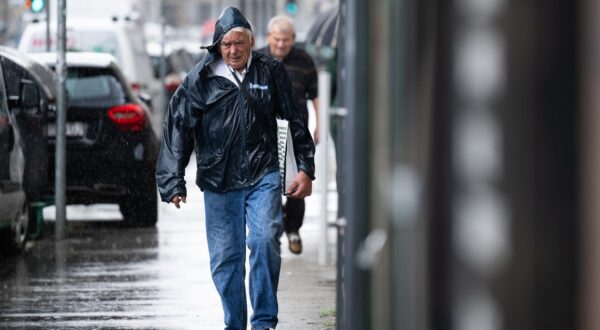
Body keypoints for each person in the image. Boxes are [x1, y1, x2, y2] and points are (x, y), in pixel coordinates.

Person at [155, 7, 315, 330]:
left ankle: (265, 322)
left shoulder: (270, 70)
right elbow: (178, 126)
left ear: (252, 42)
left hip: (263, 173)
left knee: (265, 240)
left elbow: (294, 119)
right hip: (218, 179)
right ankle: (235, 324)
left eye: (239, 43)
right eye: (226, 44)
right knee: (226, 260)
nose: (233, 50)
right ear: (217, 45)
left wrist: (306, 169)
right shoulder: (201, 78)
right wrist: (172, 180)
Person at [258, 15, 320, 255]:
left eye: (286, 40)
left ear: (293, 39)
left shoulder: (304, 61)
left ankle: (293, 227)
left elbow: (316, 93)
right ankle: (273, 230)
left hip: (296, 132)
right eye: (277, 39)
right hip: (266, 133)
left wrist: (319, 124)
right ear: (268, 38)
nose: (281, 44)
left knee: (297, 180)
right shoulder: (259, 59)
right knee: (268, 182)